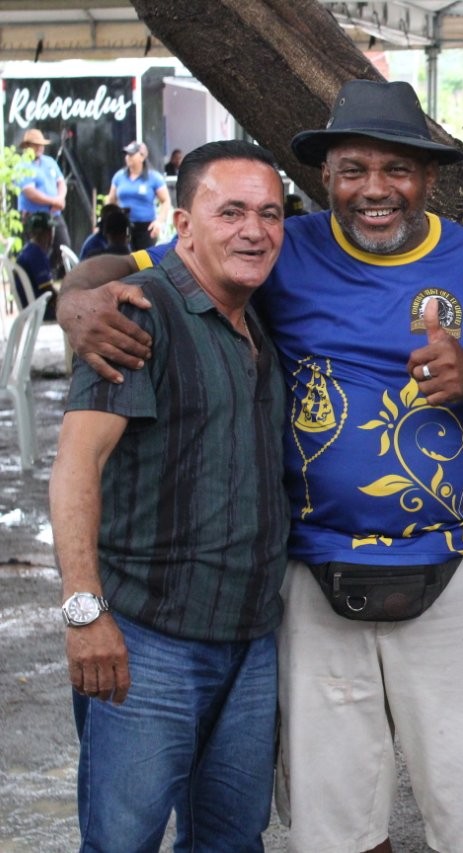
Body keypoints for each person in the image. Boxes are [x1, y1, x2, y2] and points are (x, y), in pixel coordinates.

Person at [59, 79, 463, 853]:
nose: (375, 189)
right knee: (337, 829)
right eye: (353, 169)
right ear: (325, 176)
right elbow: (122, 272)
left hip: (458, 565)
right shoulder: (279, 248)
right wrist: (74, 303)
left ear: (429, 178)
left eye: (397, 169)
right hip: (311, 577)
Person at [48, 140, 290, 851]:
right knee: (123, 841)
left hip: (250, 639)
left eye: (270, 213)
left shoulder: (257, 314)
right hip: (146, 638)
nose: (254, 230)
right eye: (231, 212)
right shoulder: (137, 313)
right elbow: (77, 464)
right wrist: (84, 610)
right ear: (182, 225)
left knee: (231, 839)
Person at [13, 127, 71, 275]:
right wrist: (54, 202)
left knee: (63, 245)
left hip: (54, 214)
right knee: (37, 250)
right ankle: (37, 277)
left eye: (41, 144)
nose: (40, 147)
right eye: (36, 144)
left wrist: (60, 198)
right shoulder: (22, 166)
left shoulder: (49, 162)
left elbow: (61, 183)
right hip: (35, 217)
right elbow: (30, 193)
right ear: (27, 146)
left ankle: (51, 274)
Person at [106, 141, 171, 250]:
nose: (128, 157)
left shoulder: (154, 178)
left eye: (131, 154)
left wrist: (159, 222)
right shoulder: (119, 176)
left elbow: (165, 201)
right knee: (124, 256)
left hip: (146, 227)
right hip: (124, 226)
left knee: (143, 258)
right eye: (127, 155)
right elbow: (111, 200)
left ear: (142, 157)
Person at [14, 211, 58, 321]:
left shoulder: (28, 250)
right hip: (40, 310)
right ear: (48, 233)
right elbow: (48, 291)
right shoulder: (37, 254)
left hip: (27, 309)